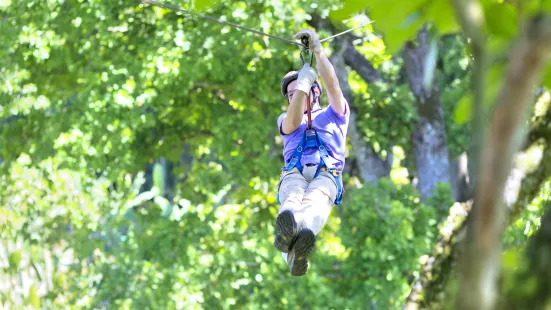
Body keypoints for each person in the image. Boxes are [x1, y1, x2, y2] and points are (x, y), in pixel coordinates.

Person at [274, 28, 350, 276]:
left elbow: (333, 85)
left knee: (315, 204)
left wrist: (317, 51)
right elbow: (293, 121)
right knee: (292, 201)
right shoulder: (286, 119)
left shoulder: (335, 115)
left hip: (326, 174)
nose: (297, 95)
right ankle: (291, 235)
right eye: (291, 94)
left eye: (303, 90)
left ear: (316, 92)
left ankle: (299, 240)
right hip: (294, 173)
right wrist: (302, 87)